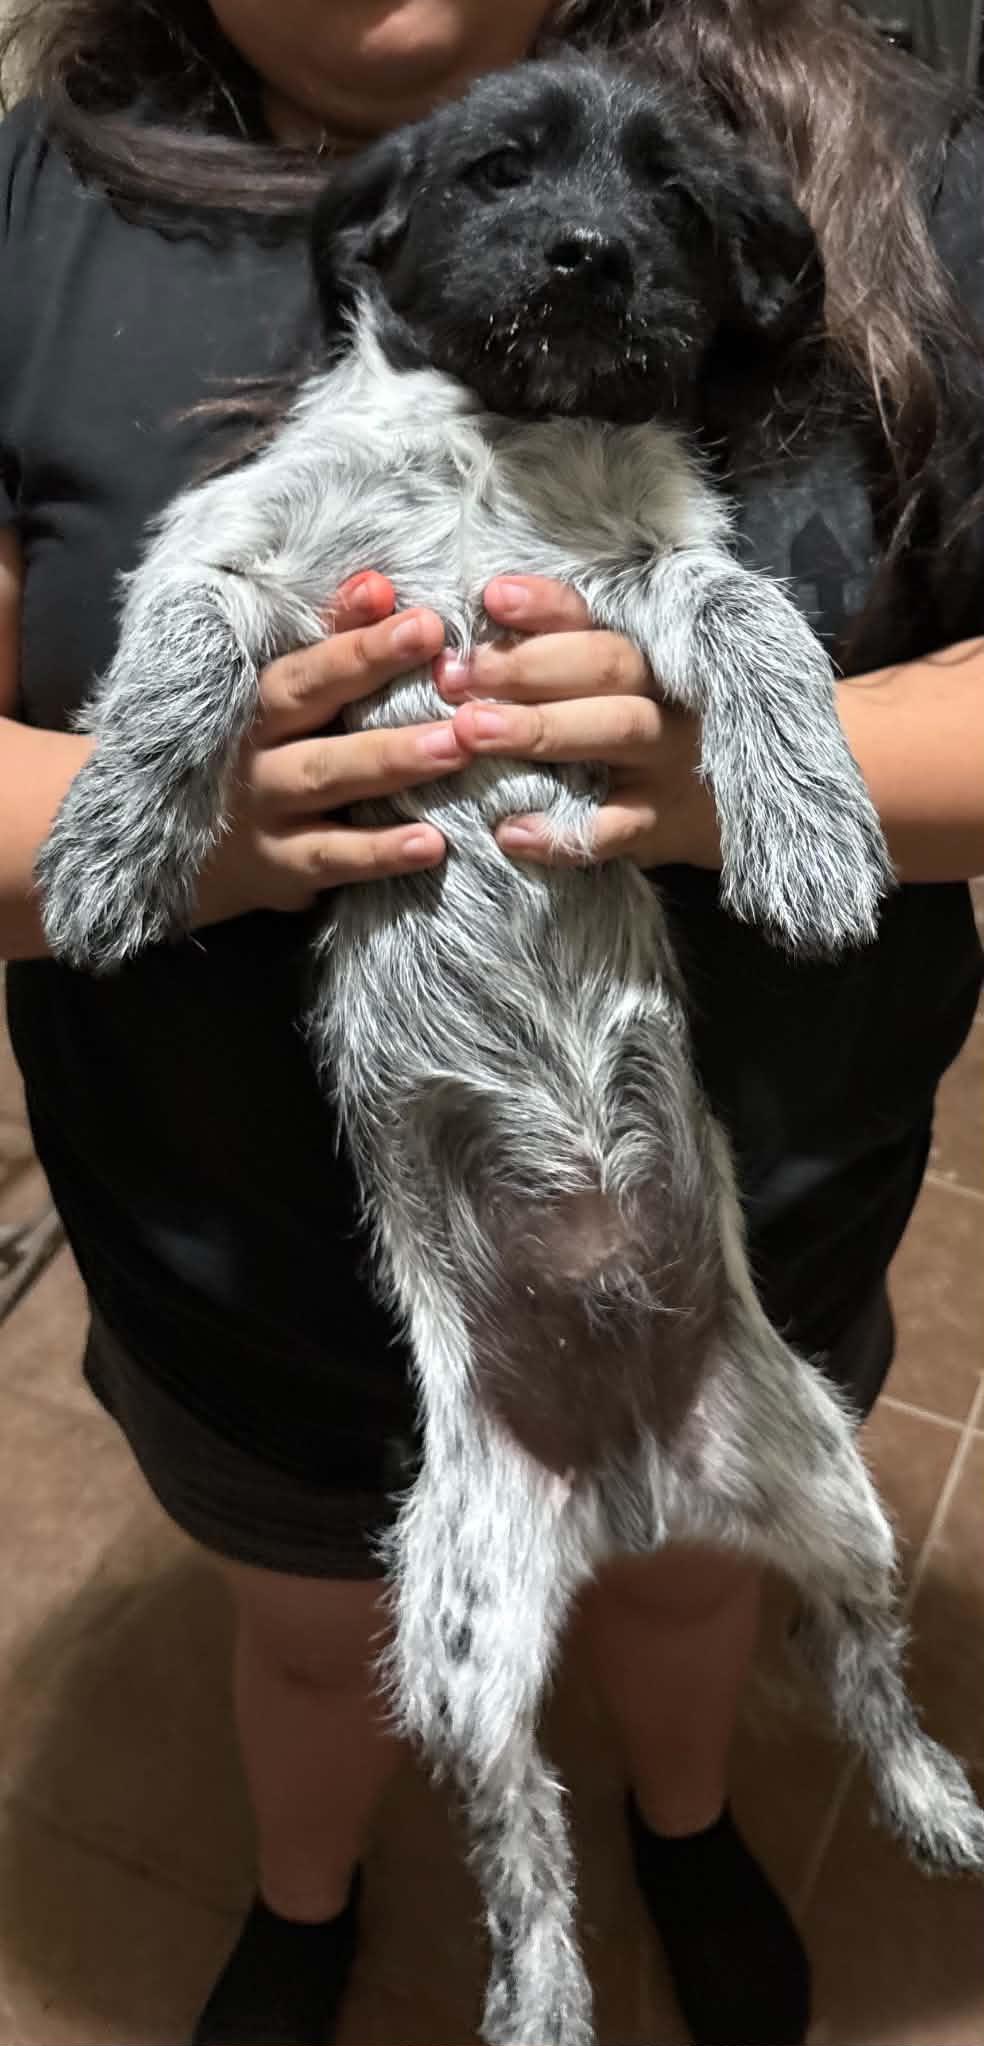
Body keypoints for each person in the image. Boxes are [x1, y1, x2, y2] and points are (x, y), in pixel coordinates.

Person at [0, 2, 981, 2041]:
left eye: (662, 219)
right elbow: (212, 580)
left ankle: (718, 1816)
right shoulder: (42, 203)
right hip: (266, 1294)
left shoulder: (901, 146)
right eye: (502, 182)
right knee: (324, 1641)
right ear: (378, 241)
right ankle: (336, 1907)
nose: (590, 238)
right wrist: (193, 821)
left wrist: (743, 775)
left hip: (739, 1248)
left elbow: (720, 608)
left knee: (718, 1578)